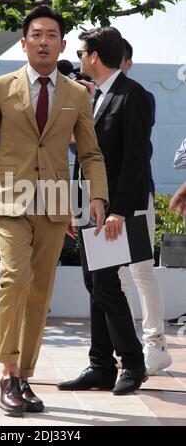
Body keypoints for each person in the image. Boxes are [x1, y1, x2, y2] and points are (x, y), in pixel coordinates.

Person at [0, 5, 108, 416]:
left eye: (52, 36)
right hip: (10, 198)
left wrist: (97, 196)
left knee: (41, 292)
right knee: (15, 278)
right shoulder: (0, 87)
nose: (44, 41)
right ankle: (7, 374)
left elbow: (91, 153)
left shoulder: (76, 93)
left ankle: (24, 374)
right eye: (36, 34)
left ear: (62, 44)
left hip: (54, 204)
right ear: (25, 42)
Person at [57, 27, 151, 395]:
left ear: (95, 56)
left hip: (115, 210)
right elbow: (84, 157)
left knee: (107, 285)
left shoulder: (134, 96)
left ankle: (133, 363)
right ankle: (100, 365)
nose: (79, 59)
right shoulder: (91, 97)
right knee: (94, 284)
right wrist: (74, 207)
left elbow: (135, 159)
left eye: (81, 53)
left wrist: (120, 212)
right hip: (88, 206)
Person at [117, 39, 172, 375]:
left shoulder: (140, 96)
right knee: (115, 276)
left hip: (136, 199)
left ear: (127, 63)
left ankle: (156, 343)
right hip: (101, 202)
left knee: (140, 270)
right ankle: (126, 345)